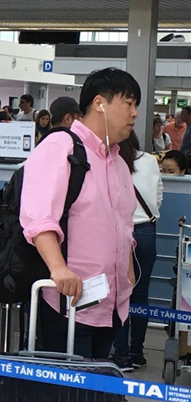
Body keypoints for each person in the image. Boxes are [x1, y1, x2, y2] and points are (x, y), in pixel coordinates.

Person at [20, 67, 140, 360]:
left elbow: (124, 225)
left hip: (110, 306)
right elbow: (39, 216)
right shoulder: (61, 146)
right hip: (68, 304)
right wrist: (58, 268)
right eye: (128, 103)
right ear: (100, 103)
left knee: (97, 383)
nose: (135, 113)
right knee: (67, 385)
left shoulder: (118, 162)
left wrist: (127, 275)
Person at [113, 130, 162, 371]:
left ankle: (121, 357)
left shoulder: (112, 161)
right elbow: (158, 195)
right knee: (141, 295)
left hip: (120, 233)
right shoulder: (150, 160)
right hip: (147, 231)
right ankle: (137, 353)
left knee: (120, 295)